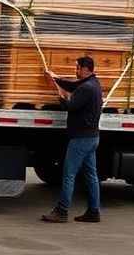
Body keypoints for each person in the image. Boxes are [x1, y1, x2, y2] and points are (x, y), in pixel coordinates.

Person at [41, 56, 102, 223]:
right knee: (91, 175)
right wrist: (56, 78)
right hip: (92, 137)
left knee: (69, 174)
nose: (75, 71)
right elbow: (73, 85)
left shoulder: (87, 88)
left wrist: (58, 92)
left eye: (77, 68)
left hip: (81, 139)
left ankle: (61, 211)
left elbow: (69, 106)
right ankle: (94, 211)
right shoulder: (94, 84)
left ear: (85, 69)